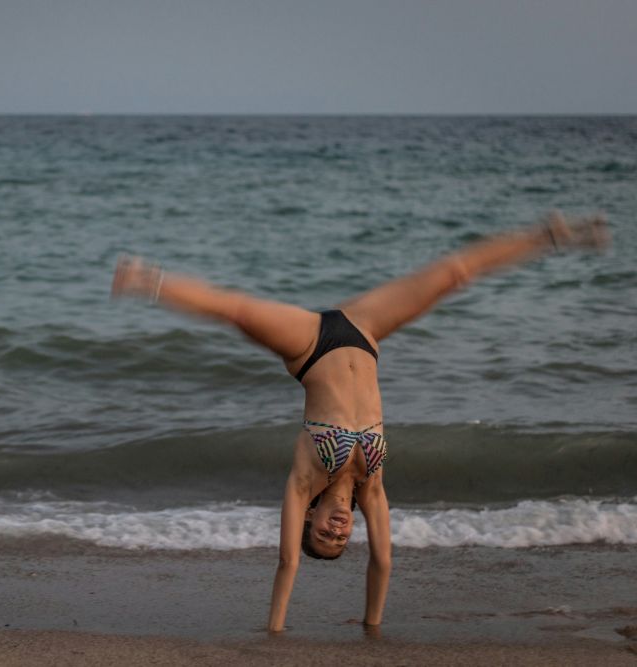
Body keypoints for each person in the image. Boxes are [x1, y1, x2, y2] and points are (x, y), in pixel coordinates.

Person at [110, 212, 608, 632]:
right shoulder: (371, 489)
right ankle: (549, 236)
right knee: (453, 275)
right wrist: (373, 628)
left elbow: (287, 563)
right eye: (342, 539)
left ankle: (144, 278)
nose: (339, 531)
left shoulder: (304, 485)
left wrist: (274, 634)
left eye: (325, 534)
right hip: (363, 332)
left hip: (308, 343)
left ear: (310, 520)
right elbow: (384, 561)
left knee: (237, 311)